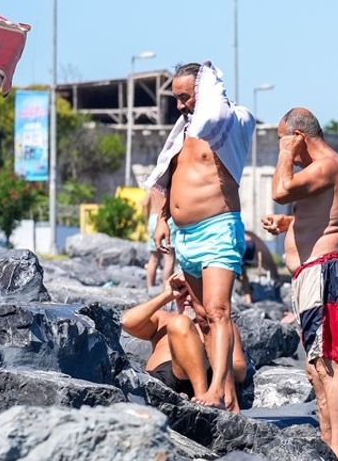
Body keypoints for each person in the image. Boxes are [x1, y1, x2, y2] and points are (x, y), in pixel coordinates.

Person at [143, 60, 254, 409]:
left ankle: (217, 391)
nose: (180, 106)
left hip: (218, 228)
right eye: (175, 98)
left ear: (204, 91)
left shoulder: (229, 124)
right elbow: (168, 180)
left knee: (219, 310)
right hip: (184, 235)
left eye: (186, 97)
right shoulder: (182, 133)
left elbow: (216, 109)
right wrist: (163, 220)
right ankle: (229, 397)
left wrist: (209, 80)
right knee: (202, 316)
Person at [262, 107, 338, 460]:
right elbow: (324, 216)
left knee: (328, 363)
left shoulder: (329, 165)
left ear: (298, 137)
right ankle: (328, 440)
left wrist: (285, 153)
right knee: (315, 366)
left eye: (283, 139)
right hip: (314, 276)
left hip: (326, 274)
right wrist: (289, 224)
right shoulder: (323, 172)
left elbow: (280, 189)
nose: (282, 146)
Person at [121, 272, 248, 412]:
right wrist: (166, 296)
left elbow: (240, 370)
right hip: (161, 380)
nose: (187, 299)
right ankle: (203, 400)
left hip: (205, 379)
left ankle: (202, 397)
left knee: (180, 323)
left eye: (192, 294)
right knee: (179, 322)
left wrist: (210, 359)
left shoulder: (219, 328)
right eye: (182, 293)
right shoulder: (163, 318)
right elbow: (127, 322)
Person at [239, 229, 282, 303]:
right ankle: (248, 298)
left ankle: (248, 298)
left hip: (243, 244)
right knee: (242, 274)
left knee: (240, 273)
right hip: (247, 243)